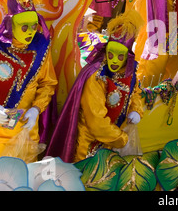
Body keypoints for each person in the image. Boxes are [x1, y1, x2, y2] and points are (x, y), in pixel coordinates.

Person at [0, 0, 58, 169]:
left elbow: (48, 83)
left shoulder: (41, 46)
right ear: (10, 23)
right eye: (24, 26)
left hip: (25, 133)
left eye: (33, 25)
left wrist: (36, 109)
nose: (30, 31)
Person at [46, 9, 145, 163]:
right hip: (88, 144)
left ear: (127, 57)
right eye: (111, 54)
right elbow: (96, 121)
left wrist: (136, 110)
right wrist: (122, 139)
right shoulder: (96, 75)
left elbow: (135, 93)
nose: (114, 60)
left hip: (111, 144)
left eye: (120, 56)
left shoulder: (129, 73)